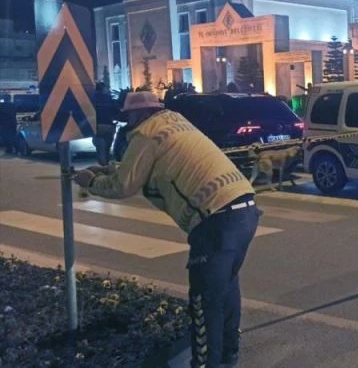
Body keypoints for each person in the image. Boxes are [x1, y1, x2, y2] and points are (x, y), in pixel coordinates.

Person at [73, 92, 258, 367]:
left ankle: (205, 363)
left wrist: (91, 182)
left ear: (137, 115)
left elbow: (124, 185)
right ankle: (228, 355)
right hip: (244, 208)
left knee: (204, 301)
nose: (127, 122)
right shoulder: (174, 123)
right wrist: (107, 169)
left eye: (129, 117)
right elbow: (141, 166)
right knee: (226, 290)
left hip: (215, 219)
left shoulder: (146, 134)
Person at [93, 82, 118, 166]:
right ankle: (107, 164)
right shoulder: (109, 99)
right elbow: (116, 112)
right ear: (104, 89)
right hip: (109, 126)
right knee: (107, 148)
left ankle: (103, 165)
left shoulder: (93, 99)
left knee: (100, 149)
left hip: (98, 126)